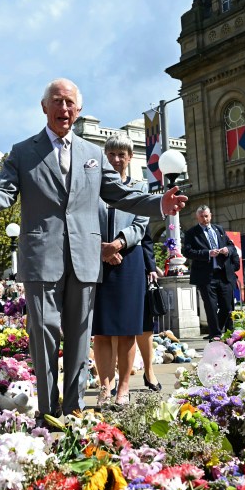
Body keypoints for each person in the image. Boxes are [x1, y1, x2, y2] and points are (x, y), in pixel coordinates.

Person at [0, 78, 187, 425]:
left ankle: (74, 409)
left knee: (81, 337)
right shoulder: (23, 152)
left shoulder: (93, 154)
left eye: (69, 102)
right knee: (44, 333)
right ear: (44, 107)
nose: (63, 108)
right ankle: (48, 412)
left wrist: (160, 203)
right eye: (56, 101)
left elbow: (121, 194)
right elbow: (3, 193)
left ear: (77, 109)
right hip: (41, 257)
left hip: (84, 257)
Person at [91, 134, 150, 407]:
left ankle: (123, 388)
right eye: (111, 154)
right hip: (97, 260)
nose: (116, 159)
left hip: (129, 262)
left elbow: (141, 223)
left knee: (127, 330)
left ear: (130, 157)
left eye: (121, 154)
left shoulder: (140, 186)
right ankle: (105, 385)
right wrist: (101, 248)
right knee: (101, 330)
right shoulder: (93, 187)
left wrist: (118, 243)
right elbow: (83, 220)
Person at [184, 205, 239, 339]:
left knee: (227, 307)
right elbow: (187, 251)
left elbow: (231, 246)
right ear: (197, 217)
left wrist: (227, 249)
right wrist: (207, 253)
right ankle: (215, 335)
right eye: (202, 216)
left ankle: (216, 329)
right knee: (211, 307)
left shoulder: (218, 229)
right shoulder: (192, 233)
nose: (205, 219)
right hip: (206, 277)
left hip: (223, 274)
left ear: (211, 215)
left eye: (206, 216)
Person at [136, 226, 163, 392]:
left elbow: (146, 240)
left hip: (139, 269)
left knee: (145, 324)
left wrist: (151, 267)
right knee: (115, 329)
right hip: (110, 268)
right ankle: (111, 379)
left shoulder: (136, 206)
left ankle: (149, 370)